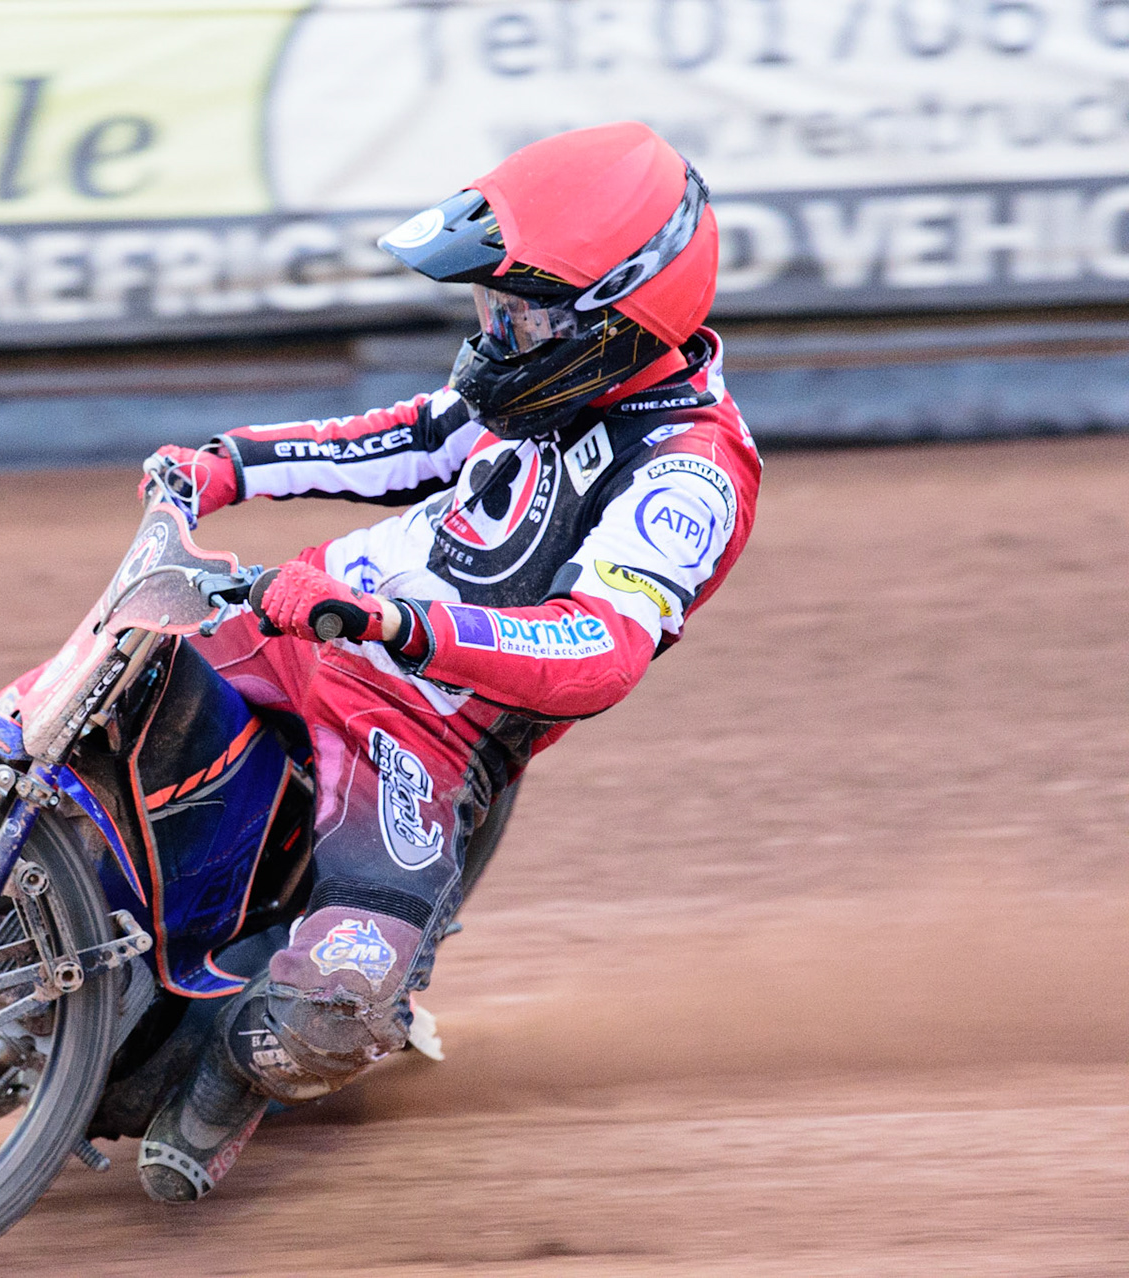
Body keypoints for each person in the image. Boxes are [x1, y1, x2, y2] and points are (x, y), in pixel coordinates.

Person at [57, 121, 759, 1203]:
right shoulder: (533, 380)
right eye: (488, 306)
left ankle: (223, 1070)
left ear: (614, 323)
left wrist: (394, 628)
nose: (491, 333)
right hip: (298, 628)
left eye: (514, 313)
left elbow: (602, 648)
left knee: (332, 1011)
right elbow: (410, 436)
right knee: (95, 704)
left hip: (423, 734)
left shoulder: (687, 474)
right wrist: (226, 465)